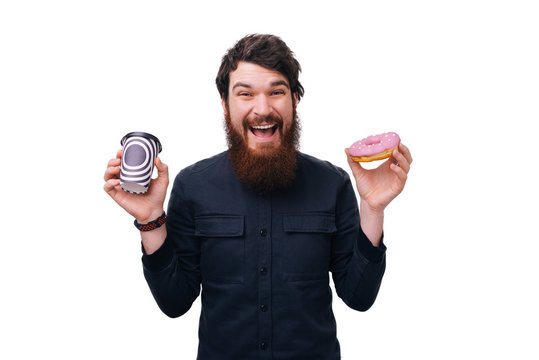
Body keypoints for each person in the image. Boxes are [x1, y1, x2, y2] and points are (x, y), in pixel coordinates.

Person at [104, 34, 412, 360]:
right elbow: (174, 302)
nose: (262, 109)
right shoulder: (192, 186)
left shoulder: (332, 183)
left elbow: (359, 297)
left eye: (276, 92)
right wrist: (150, 219)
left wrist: (373, 208)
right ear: (225, 104)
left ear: (295, 99)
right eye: (246, 94)